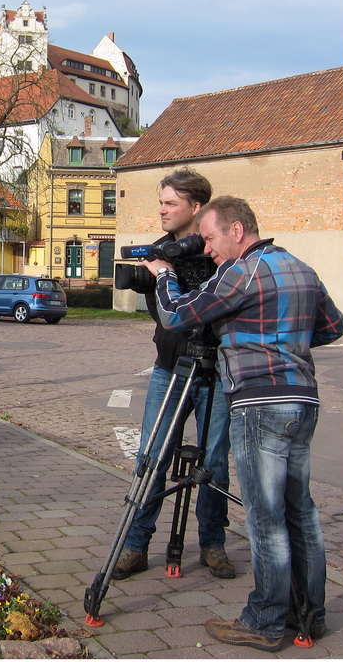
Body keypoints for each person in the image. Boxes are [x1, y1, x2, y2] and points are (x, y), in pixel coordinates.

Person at [143, 196, 343, 652]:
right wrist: (282, 338)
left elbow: (176, 315)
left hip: (258, 404)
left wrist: (163, 276)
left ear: (237, 230)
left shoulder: (244, 271)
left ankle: (265, 621)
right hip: (302, 402)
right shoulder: (301, 268)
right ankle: (308, 616)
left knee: (266, 518)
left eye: (211, 238)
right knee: (302, 515)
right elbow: (333, 328)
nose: (208, 250)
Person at [113, 169, 235, 581]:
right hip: (171, 371)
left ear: (196, 208)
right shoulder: (158, 254)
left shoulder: (221, 252)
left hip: (216, 374)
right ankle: (135, 545)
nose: (162, 210)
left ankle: (213, 545)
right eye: (161, 202)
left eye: (171, 203)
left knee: (214, 461)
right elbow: (169, 318)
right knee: (151, 459)